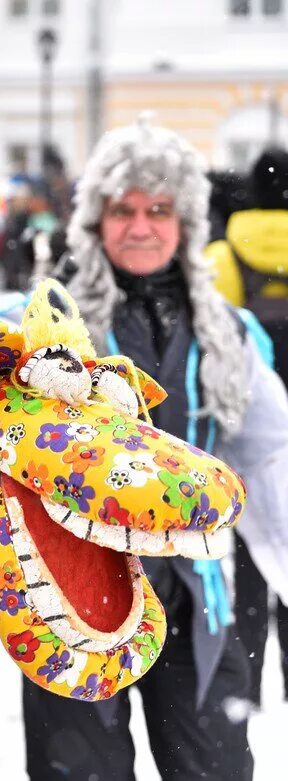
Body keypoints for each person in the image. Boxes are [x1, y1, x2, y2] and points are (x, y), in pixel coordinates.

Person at [24, 118, 288, 781]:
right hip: (75, 591)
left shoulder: (228, 332)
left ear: (187, 221)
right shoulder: (45, 322)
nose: (141, 226)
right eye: (123, 210)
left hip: (199, 591)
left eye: (159, 210)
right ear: (96, 221)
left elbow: (270, 459)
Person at [205, 146, 288, 707]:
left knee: (254, 546)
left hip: (253, 421)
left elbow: (216, 342)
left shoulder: (222, 255)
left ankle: (249, 678)